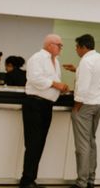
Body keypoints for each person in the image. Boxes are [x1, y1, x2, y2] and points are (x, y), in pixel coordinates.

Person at [19, 35, 69, 188]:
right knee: (33, 143)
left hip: (46, 106)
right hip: (34, 104)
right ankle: (26, 180)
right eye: (58, 44)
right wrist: (56, 84)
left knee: (40, 144)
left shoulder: (56, 61)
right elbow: (35, 78)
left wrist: (61, 88)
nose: (61, 47)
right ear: (49, 45)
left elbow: (51, 82)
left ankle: (31, 179)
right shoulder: (37, 58)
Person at [63, 34, 100, 188]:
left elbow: (82, 87)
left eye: (77, 47)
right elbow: (94, 77)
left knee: (82, 145)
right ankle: (90, 180)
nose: (76, 50)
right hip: (99, 104)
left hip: (85, 105)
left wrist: (76, 107)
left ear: (83, 47)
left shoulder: (86, 61)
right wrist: (76, 70)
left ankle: (81, 182)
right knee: (91, 142)